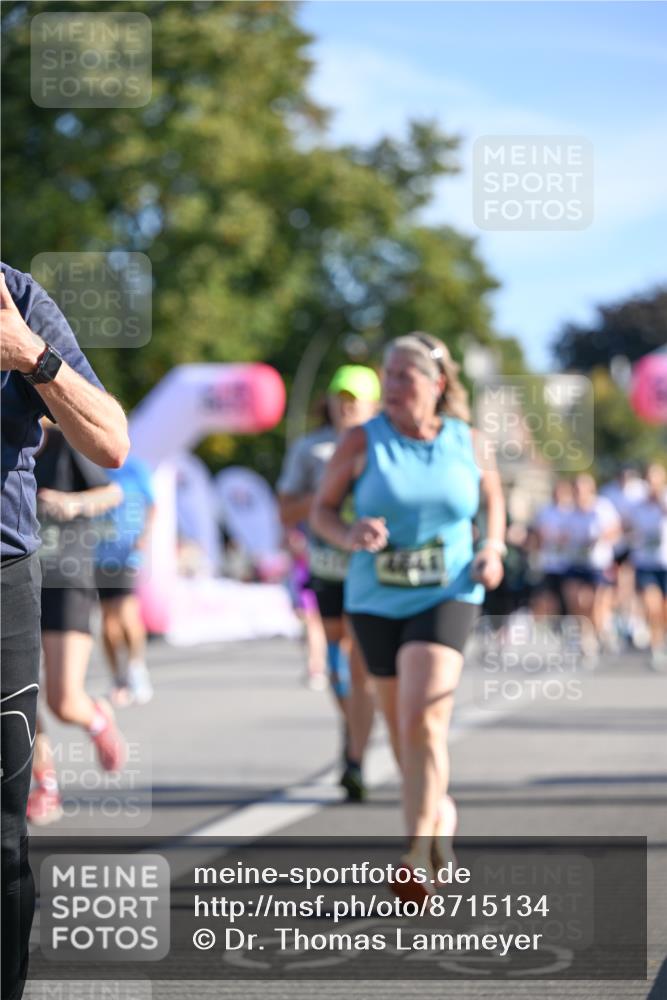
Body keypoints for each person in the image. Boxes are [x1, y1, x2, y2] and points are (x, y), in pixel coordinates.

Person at [311, 333, 505, 898]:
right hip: (375, 599)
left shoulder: (470, 442)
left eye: (405, 377)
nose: (391, 387)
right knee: (402, 731)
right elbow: (322, 511)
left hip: (448, 591)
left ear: (437, 385)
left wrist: (493, 548)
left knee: (424, 718)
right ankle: (439, 810)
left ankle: (417, 850)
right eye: (388, 375)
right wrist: (349, 531)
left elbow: (494, 502)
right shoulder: (360, 441)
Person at [0, 262, 129, 1000]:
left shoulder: (16, 299)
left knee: (3, 839)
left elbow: (113, 444)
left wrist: (28, 354)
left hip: (20, 574)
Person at [278, 365, 380, 800]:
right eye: (341, 397)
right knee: (339, 663)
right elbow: (286, 509)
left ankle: (355, 757)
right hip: (326, 566)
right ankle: (352, 726)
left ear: (374, 405)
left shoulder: (384, 446)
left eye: (355, 399)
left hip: (371, 570)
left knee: (360, 664)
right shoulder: (310, 449)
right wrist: (324, 500)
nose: (346, 406)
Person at [27, 422, 126, 826]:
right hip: (13, 580)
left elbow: (113, 491)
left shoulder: (65, 443)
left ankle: (96, 718)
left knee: (63, 701)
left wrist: (72, 505)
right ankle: (44, 785)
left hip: (65, 578)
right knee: (14, 695)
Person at [95, 454, 156, 706]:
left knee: (127, 612)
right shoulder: (91, 465)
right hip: (97, 553)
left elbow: (152, 504)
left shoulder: (135, 469)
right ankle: (118, 677)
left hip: (127, 552)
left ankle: (136, 668)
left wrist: (145, 535)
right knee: (108, 620)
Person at [560, 473, 621, 662]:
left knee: (596, 605)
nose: (580, 493)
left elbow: (615, 530)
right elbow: (562, 536)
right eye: (576, 489)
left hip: (598, 564)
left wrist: (601, 537)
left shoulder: (602, 507)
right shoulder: (569, 512)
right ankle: (585, 639)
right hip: (576, 562)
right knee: (576, 601)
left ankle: (601, 631)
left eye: (583, 489)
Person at [626, 463, 667, 670]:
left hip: (665, 562)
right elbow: (625, 528)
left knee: (664, 610)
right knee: (653, 607)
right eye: (649, 481)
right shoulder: (637, 506)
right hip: (646, 563)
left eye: (656, 480)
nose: (653, 485)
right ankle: (656, 648)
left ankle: (662, 638)